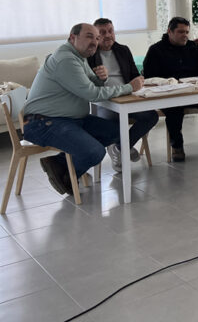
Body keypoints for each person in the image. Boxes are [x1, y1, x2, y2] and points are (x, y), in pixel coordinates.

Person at [23, 24, 143, 195]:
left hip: (71, 119)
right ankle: (65, 174)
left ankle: (59, 164)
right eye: (89, 36)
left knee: (119, 132)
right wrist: (129, 87)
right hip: (43, 122)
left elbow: (91, 84)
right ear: (73, 37)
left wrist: (102, 79)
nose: (94, 42)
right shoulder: (66, 60)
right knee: (94, 152)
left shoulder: (79, 56)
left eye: (96, 38)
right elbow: (92, 94)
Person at [143, 17, 198, 161]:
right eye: (180, 32)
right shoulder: (156, 50)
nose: (185, 35)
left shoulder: (194, 47)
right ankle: (177, 146)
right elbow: (149, 78)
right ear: (169, 32)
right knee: (174, 108)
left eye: (186, 32)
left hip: (194, 91)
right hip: (169, 93)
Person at [88, 18, 158, 173]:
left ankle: (120, 147)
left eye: (110, 31)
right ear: (96, 35)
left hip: (126, 96)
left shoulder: (123, 50)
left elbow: (134, 73)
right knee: (111, 121)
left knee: (151, 116)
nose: (108, 35)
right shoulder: (90, 54)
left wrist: (139, 79)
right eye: (102, 32)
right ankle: (123, 147)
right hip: (105, 100)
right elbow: (89, 83)